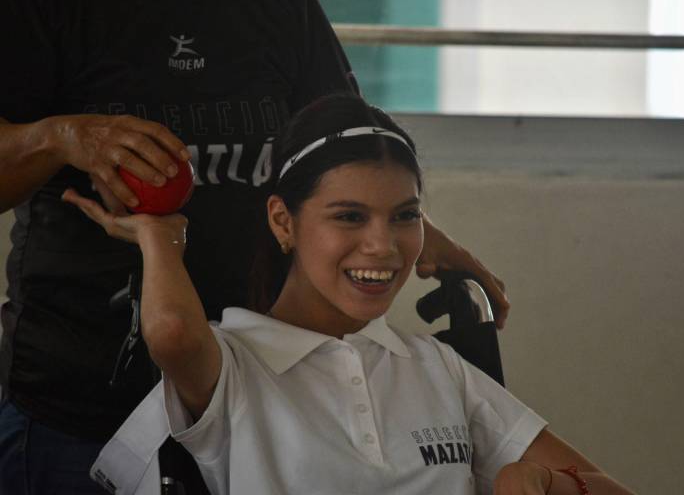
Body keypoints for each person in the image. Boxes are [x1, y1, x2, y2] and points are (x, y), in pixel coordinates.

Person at [0, 0, 508, 493]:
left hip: (254, 390)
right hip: (74, 397)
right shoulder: (39, 0)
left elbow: (340, 151)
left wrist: (413, 229)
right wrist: (61, 137)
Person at [67, 93, 634, 495]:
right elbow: (170, 333)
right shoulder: (234, 363)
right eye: (349, 217)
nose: (383, 246)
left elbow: (611, 488)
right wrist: (162, 238)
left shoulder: (438, 367)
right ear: (283, 222)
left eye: (404, 216)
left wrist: (541, 479)